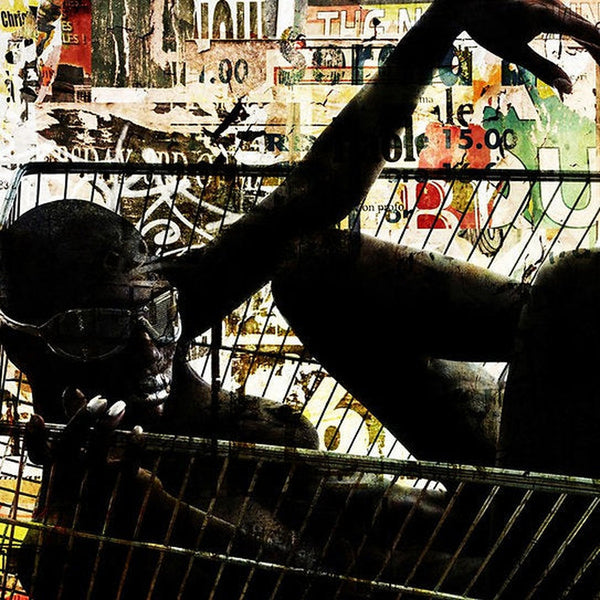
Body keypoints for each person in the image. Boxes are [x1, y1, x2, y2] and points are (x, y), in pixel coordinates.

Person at [1, 0, 599, 597]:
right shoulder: (83, 524)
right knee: (570, 289)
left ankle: (563, 359)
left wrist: (444, 22)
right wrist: (157, 517)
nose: (146, 347)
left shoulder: (159, 306)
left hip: (485, 522)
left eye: (155, 312)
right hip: (473, 583)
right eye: (99, 330)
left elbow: (317, 190)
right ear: (27, 345)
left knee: (312, 268)